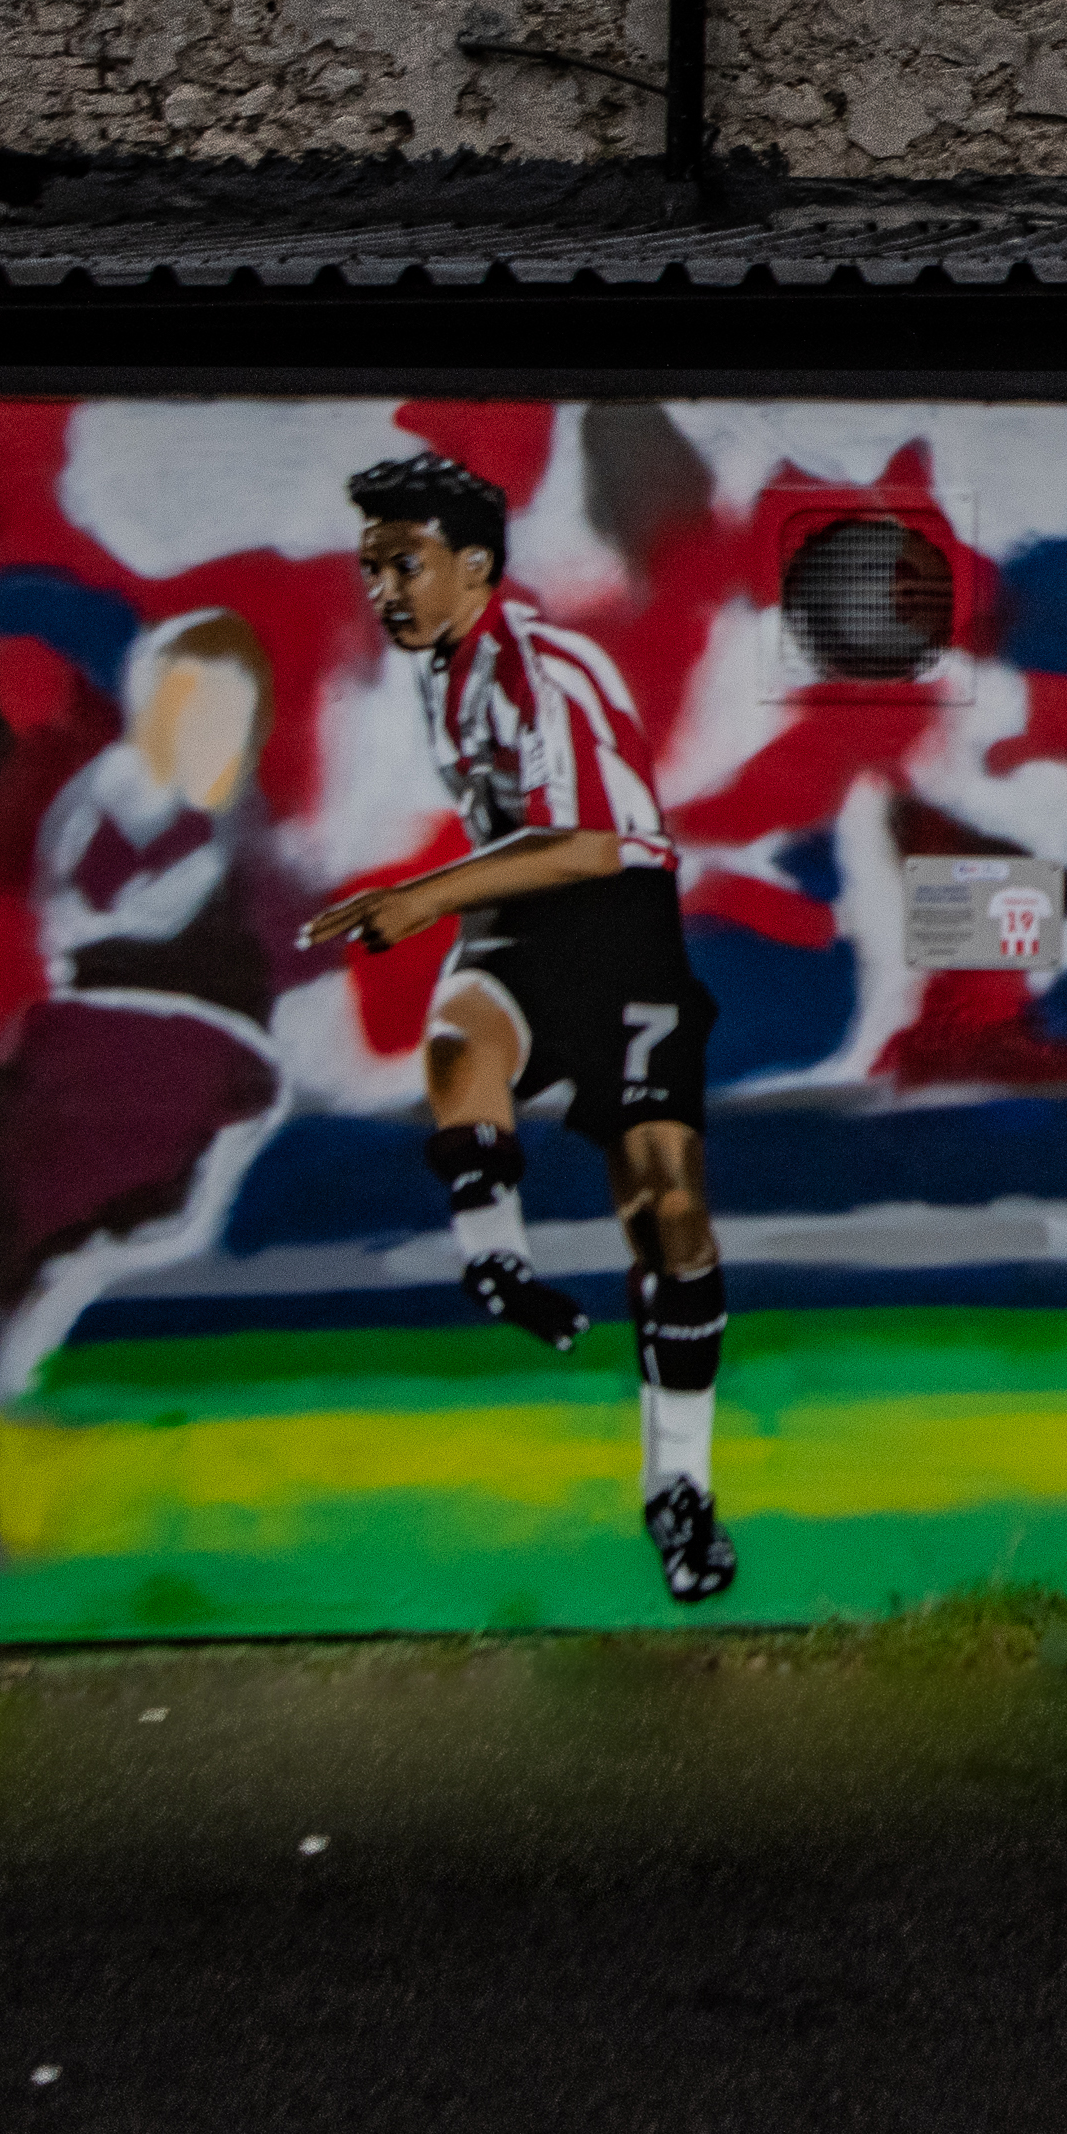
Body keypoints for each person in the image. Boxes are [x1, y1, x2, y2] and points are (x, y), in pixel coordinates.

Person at [299, 448, 741, 1605]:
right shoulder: (438, 669)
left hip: (615, 915)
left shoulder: (538, 665)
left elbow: (593, 841)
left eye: (405, 564)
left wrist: (417, 897)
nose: (383, 590)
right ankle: (495, 1255)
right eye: (370, 568)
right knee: (458, 1041)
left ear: (475, 565)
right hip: (521, 913)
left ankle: (678, 1486)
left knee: (668, 1207)